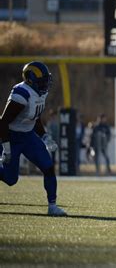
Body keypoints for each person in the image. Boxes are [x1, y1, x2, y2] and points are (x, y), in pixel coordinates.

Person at [0, 61, 67, 216]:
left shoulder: (40, 92)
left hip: (28, 136)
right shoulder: (21, 94)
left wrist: (44, 136)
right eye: (42, 81)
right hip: (11, 136)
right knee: (11, 179)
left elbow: (34, 117)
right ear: (31, 80)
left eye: (46, 80)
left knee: (48, 167)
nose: (45, 84)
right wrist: (7, 149)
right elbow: (3, 122)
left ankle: (52, 206)